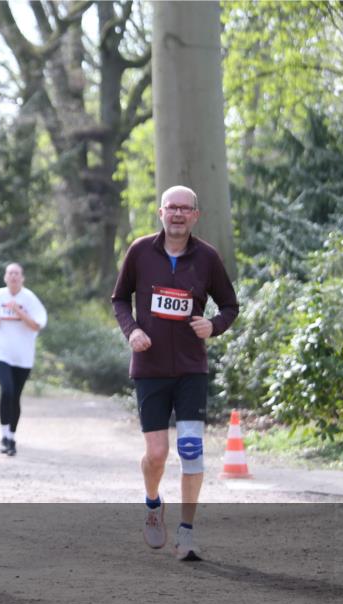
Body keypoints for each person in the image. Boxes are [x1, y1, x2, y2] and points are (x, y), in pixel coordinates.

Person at [111, 185, 239, 561]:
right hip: (149, 369)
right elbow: (119, 298)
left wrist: (214, 326)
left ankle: (186, 532)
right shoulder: (139, 252)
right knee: (157, 453)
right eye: (172, 208)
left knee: (190, 449)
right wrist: (132, 330)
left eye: (185, 208)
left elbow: (230, 305)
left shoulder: (207, 258)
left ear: (195, 215)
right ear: (161, 212)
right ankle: (153, 504)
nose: (178, 214)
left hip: (190, 369)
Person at [0, 263, 47, 456]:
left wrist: (19, 311)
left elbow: (36, 325)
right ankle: (3, 436)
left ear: (22, 278)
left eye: (17, 274)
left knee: (15, 396)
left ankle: (11, 437)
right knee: (7, 389)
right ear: (5, 277)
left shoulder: (30, 299)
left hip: (23, 356)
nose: (14, 277)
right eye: (10, 273)